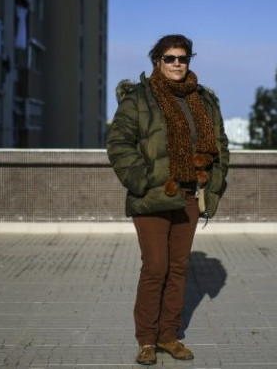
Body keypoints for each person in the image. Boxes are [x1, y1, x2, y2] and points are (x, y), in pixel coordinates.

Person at [106, 34, 230, 365]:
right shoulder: (138, 99)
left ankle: (168, 335)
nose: (177, 63)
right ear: (157, 62)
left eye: (183, 58)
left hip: (190, 195)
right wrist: (142, 180)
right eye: (170, 58)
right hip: (152, 197)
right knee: (155, 267)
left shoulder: (203, 100)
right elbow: (119, 144)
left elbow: (220, 145)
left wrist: (214, 187)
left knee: (178, 268)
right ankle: (146, 339)